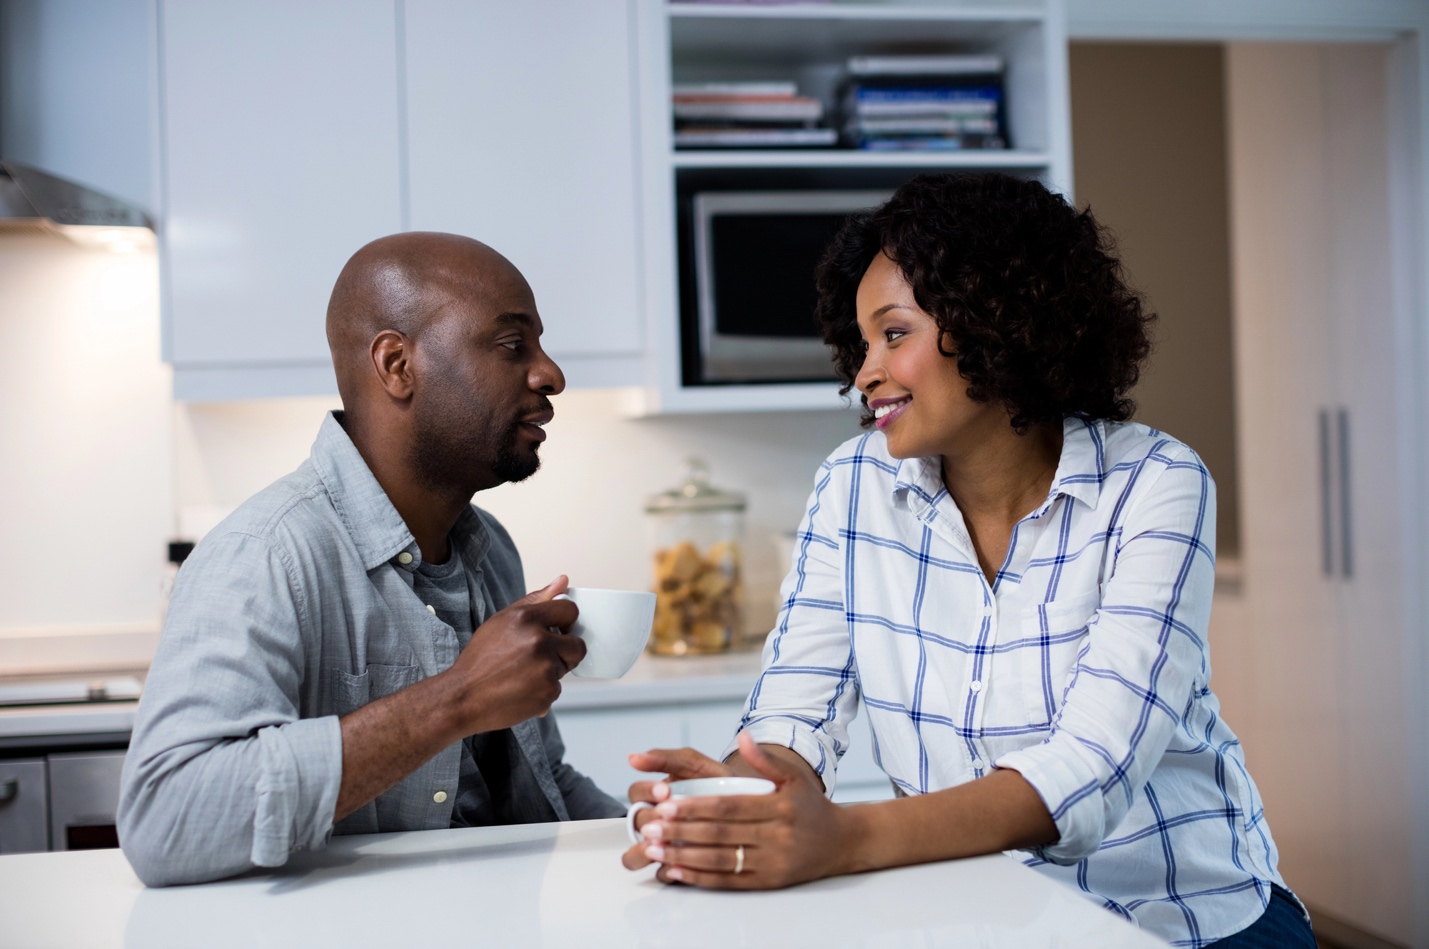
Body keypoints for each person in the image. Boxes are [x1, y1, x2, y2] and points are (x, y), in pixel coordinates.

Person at [621, 173, 1315, 948]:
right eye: (859, 344)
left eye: (893, 334)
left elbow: (1091, 766)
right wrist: (739, 800)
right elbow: (795, 708)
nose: (863, 374)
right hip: (981, 920)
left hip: (1181, 917)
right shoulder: (853, 485)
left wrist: (842, 838)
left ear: (995, 321)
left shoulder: (1154, 483)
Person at [118, 232, 625, 887]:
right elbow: (166, 818)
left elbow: (531, 781)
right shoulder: (268, 553)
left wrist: (659, 825)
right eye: (511, 345)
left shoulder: (488, 547)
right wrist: (456, 698)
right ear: (396, 365)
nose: (549, 372)